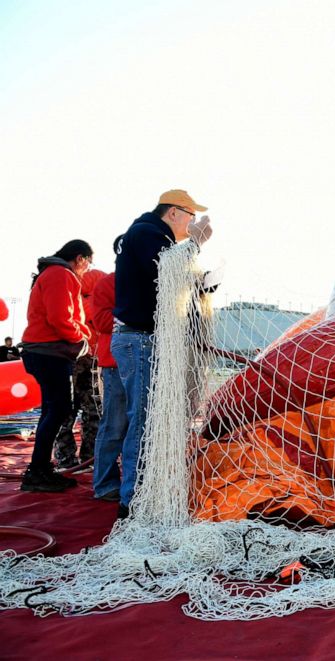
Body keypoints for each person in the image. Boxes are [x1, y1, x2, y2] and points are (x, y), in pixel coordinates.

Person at [112, 190, 213, 518]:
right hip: (140, 341)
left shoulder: (151, 236)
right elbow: (167, 271)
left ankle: (141, 493)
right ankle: (133, 502)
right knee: (143, 421)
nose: (192, 223)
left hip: (145, 340)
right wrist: (195, 243)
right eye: (190, 216)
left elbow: (170, 279)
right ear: (173, 213)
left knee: (148, 420)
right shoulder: (146, 233)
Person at [18, 240, 93, 492]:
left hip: (42, 351)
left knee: (52, 409)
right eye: (88, 263)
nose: (87, 269)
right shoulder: (61, 275)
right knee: (59, 408)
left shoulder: (51, 273)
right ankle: (37, 470)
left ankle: (39, 468)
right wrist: (82, 339)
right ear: (81, 258)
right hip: (50, 352)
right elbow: (61, 318)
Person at [53, 268, 106, 469]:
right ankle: (83, 458)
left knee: (76, 411)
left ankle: (74, 458)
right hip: (82, 357)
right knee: (87, 411)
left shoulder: (77, 297)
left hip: (82, 357)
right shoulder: (87, 300)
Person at [91, 264, 128, 501]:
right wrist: (133, 315)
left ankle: (132, 480)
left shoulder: (153, 281)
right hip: (116, 364)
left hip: (148, 363)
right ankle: (105, 483)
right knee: (115, 425)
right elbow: (101, 321)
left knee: (138, 427)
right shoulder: (108, 283)